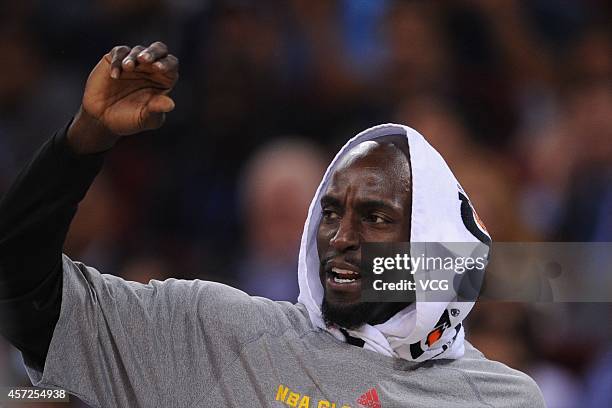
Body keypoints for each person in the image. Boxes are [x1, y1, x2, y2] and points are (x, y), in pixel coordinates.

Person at [0, 42, 544, 407]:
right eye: (331, 213)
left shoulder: (497, 398)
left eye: (375, 217)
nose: (341, 237)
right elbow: (21, 291)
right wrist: (82, 142)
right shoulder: (211, 331)